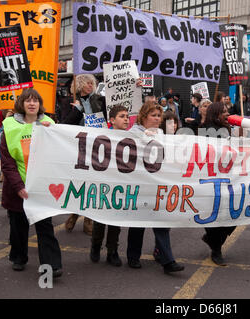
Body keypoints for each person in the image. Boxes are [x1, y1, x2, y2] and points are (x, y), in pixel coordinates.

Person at [0, 88, 62, 275]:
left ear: (40, 104)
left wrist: (55, 134)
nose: (32, 103)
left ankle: (52, 264)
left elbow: (60, 153)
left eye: (35, 100)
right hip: (17, 188)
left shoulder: (49, 124)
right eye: (28, 100)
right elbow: (7, 162)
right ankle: (19, 257)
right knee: (18, 227)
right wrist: (19, 187)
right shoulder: (9, 127)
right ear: (22, 104)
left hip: (43, 187)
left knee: (45, 226)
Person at [126, 101, 185, 274]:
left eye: (159, 116)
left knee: (162, 222)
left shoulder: (161, 133)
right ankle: (133, 256)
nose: (157, 119)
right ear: (143, 117)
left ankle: (167, 260)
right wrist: (145, 136)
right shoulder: (132, 133)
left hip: (157, 184)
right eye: (153, 115)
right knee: (138, 224)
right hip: (140, 183)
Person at [61, 74, 106, 235]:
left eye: (91, 82)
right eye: (86, 82)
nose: (89, 85)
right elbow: (65, 124)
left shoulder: (101, 100)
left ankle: (88, 220)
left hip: (97, 147)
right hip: (77, 147)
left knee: (94, 183)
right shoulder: (69, 102)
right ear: (79, 84)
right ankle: (75, 213)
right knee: (80, 184)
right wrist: (78, 110)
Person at [89, 105, 130, 267]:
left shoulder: (132, 138)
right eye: (122, 116)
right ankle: (96, 246)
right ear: (112, 120)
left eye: (127, 116)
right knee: (100, 220)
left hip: (120, 185)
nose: (126, 119)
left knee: (115, 222)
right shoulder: (101, 136)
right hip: (103, 183)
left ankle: (112, 251)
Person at [200, 102, 235, 266]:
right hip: (209, 180)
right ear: (215, 115)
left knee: (235, 215)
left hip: (227, 178)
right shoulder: (205, 132)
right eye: (224, 112)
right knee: (213, 217)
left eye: (228, 111)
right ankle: (216, 249)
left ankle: (213, 242)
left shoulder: (228, 129)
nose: (227, 114)